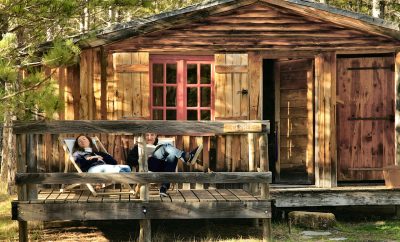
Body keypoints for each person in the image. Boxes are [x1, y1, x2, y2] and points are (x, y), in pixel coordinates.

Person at [127, 133, 203, 197]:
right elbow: (129, 160)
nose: (150, 138)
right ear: (144, 136)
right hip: (148, 166)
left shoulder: (158, 145)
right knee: (166, 146)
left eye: (152, 135)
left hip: (162, 167)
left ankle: (163, 188)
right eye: (147, 135)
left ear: (156, 136)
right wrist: (143, 159)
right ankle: (187, 157)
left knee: (172, 156)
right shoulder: (138, 147)